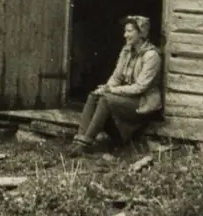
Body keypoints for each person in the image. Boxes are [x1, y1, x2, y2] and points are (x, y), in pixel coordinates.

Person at [69, 15, 163, 155]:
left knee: (106, 99)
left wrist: (112, 90)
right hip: (128, 99)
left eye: (130, 31)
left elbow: (140, 87)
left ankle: (86, 143)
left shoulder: (151, 56)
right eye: (125, 31)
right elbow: (117, 76)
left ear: (141, 33)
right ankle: (78, 141)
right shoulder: (126, 51)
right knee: (94, 96)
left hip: (144, 104)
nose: (125, 35)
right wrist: (106, 88)